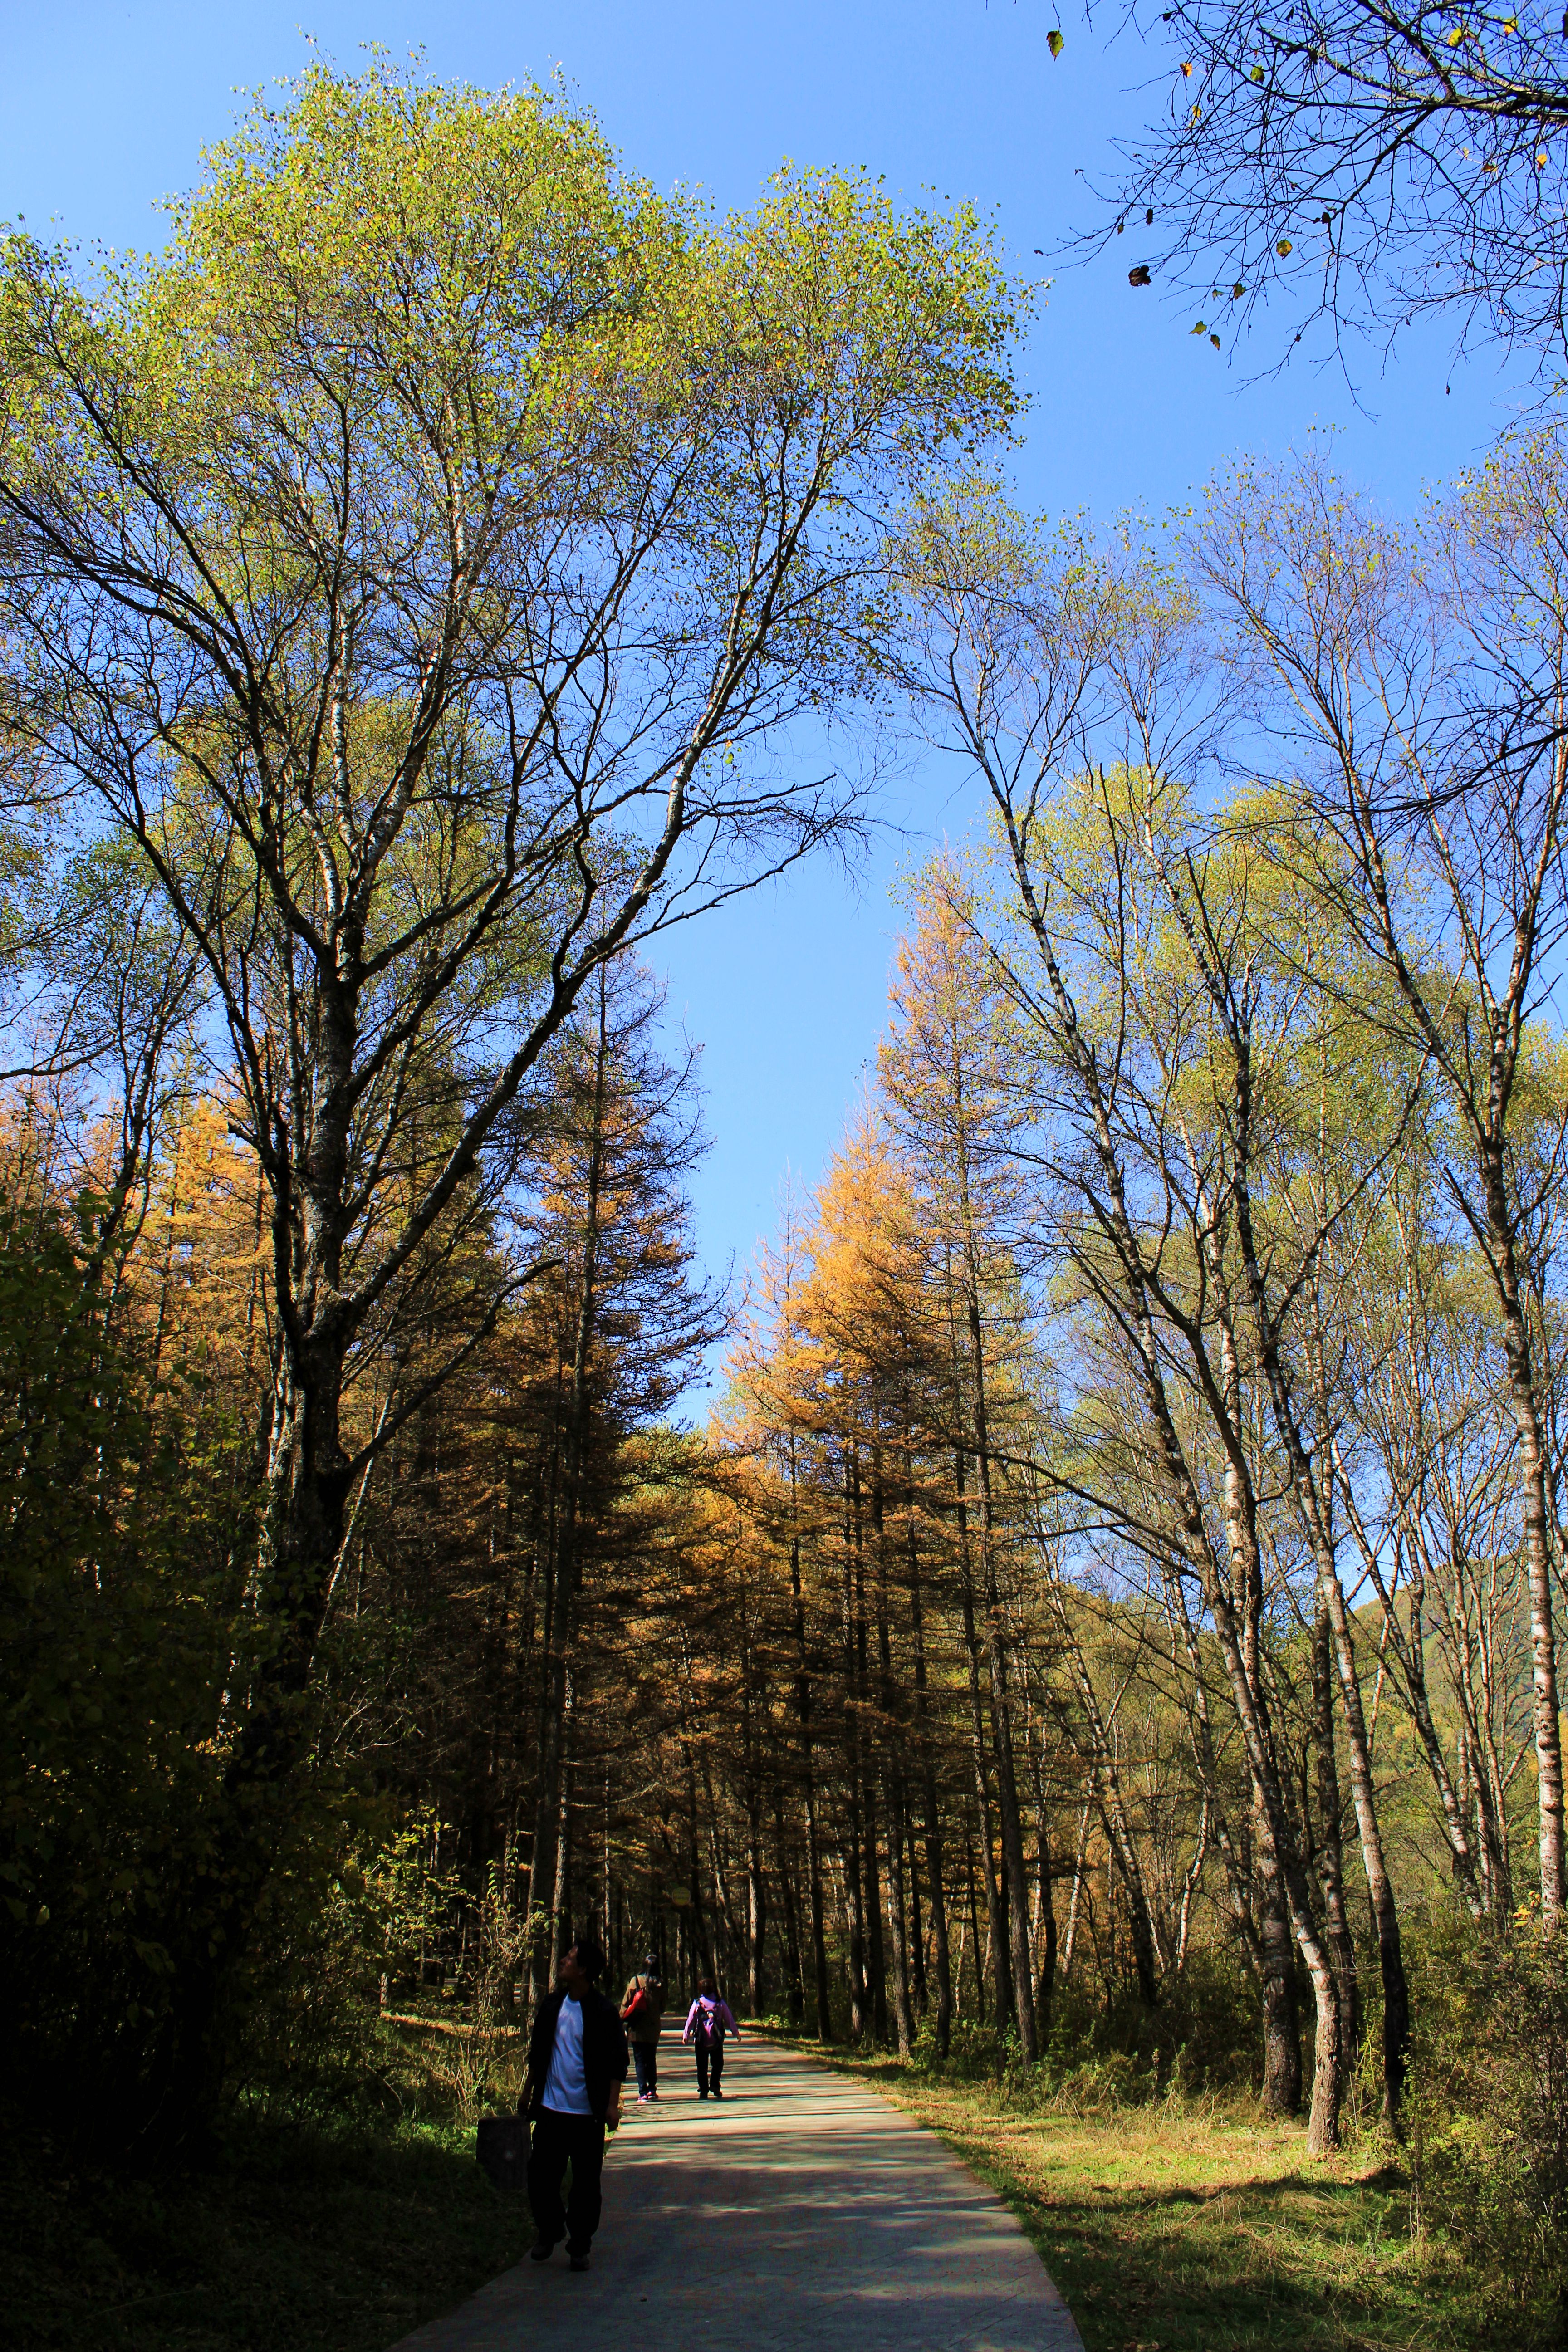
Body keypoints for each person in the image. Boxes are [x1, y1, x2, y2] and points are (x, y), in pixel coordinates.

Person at [519, 1935, 628, 2273]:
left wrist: (612, 2106)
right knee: (540, 2176)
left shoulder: (604, 2012)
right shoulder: (552, 2006)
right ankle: (550, 2230)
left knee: (585, 2183)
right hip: (551, 2111)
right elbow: (538, 2055)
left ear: (583, 1970)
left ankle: (580, 2242)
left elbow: (616, 2063)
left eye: (570, 1958)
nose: (564, 1961)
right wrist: (527, 2093)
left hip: (587, 2115)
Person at [681, 1974, 740, 2100]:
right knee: (718, 2063)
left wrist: (686, 2035)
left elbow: (690, 2020)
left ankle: (704, 2090)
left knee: (702, 2066)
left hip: (700, 2040)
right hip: (717, 2039)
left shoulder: (698, 2003)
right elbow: (729, 2018)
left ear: (701, 1989)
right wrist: (736, 2032)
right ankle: (714, 2084)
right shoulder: (720, 2003)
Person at [619, 1951, 665, 2102]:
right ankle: (652, 2089)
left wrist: (620, 2019)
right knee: (651, 2058)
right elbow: (663, 2007)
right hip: (653, 2027)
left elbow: (626, 2003)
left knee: (639, 2060)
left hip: (637, 2027)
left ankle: (643, 2092)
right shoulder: (660, 1983)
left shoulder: (636, 1982)